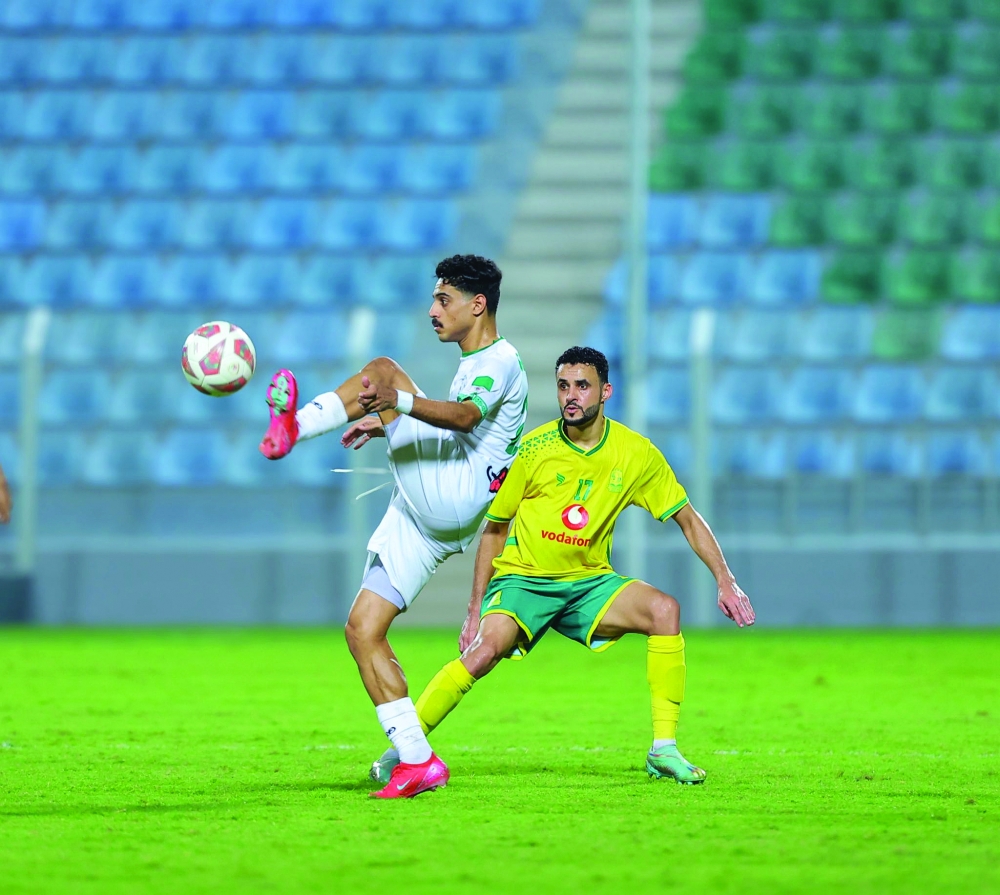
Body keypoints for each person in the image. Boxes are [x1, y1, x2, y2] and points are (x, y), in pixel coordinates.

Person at [371, 346, 755, 791]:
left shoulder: (636, 454)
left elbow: (688, 518)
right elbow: (494, 530)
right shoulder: (534, 449)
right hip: (523, 580)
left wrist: (725, 581)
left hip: (587, 582)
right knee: (481, 654)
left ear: (606, 391)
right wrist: (474, 608)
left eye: (582, 385)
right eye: (563, 386)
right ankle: (403, 751)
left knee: (664, 610)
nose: (571, 395)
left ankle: (663, 749)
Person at [260, 254, 528, 799]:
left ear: (477, 305)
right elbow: (470, 432)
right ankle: (417, 761)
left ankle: (297, 426)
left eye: (444, 300)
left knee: (382, 370)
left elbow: (466, 418)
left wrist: (395, 402)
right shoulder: (478, 359)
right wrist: (388, 425)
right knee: (362, 629)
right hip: (435, 513)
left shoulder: (498, 360)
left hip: (452, 495)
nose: (432, 311)